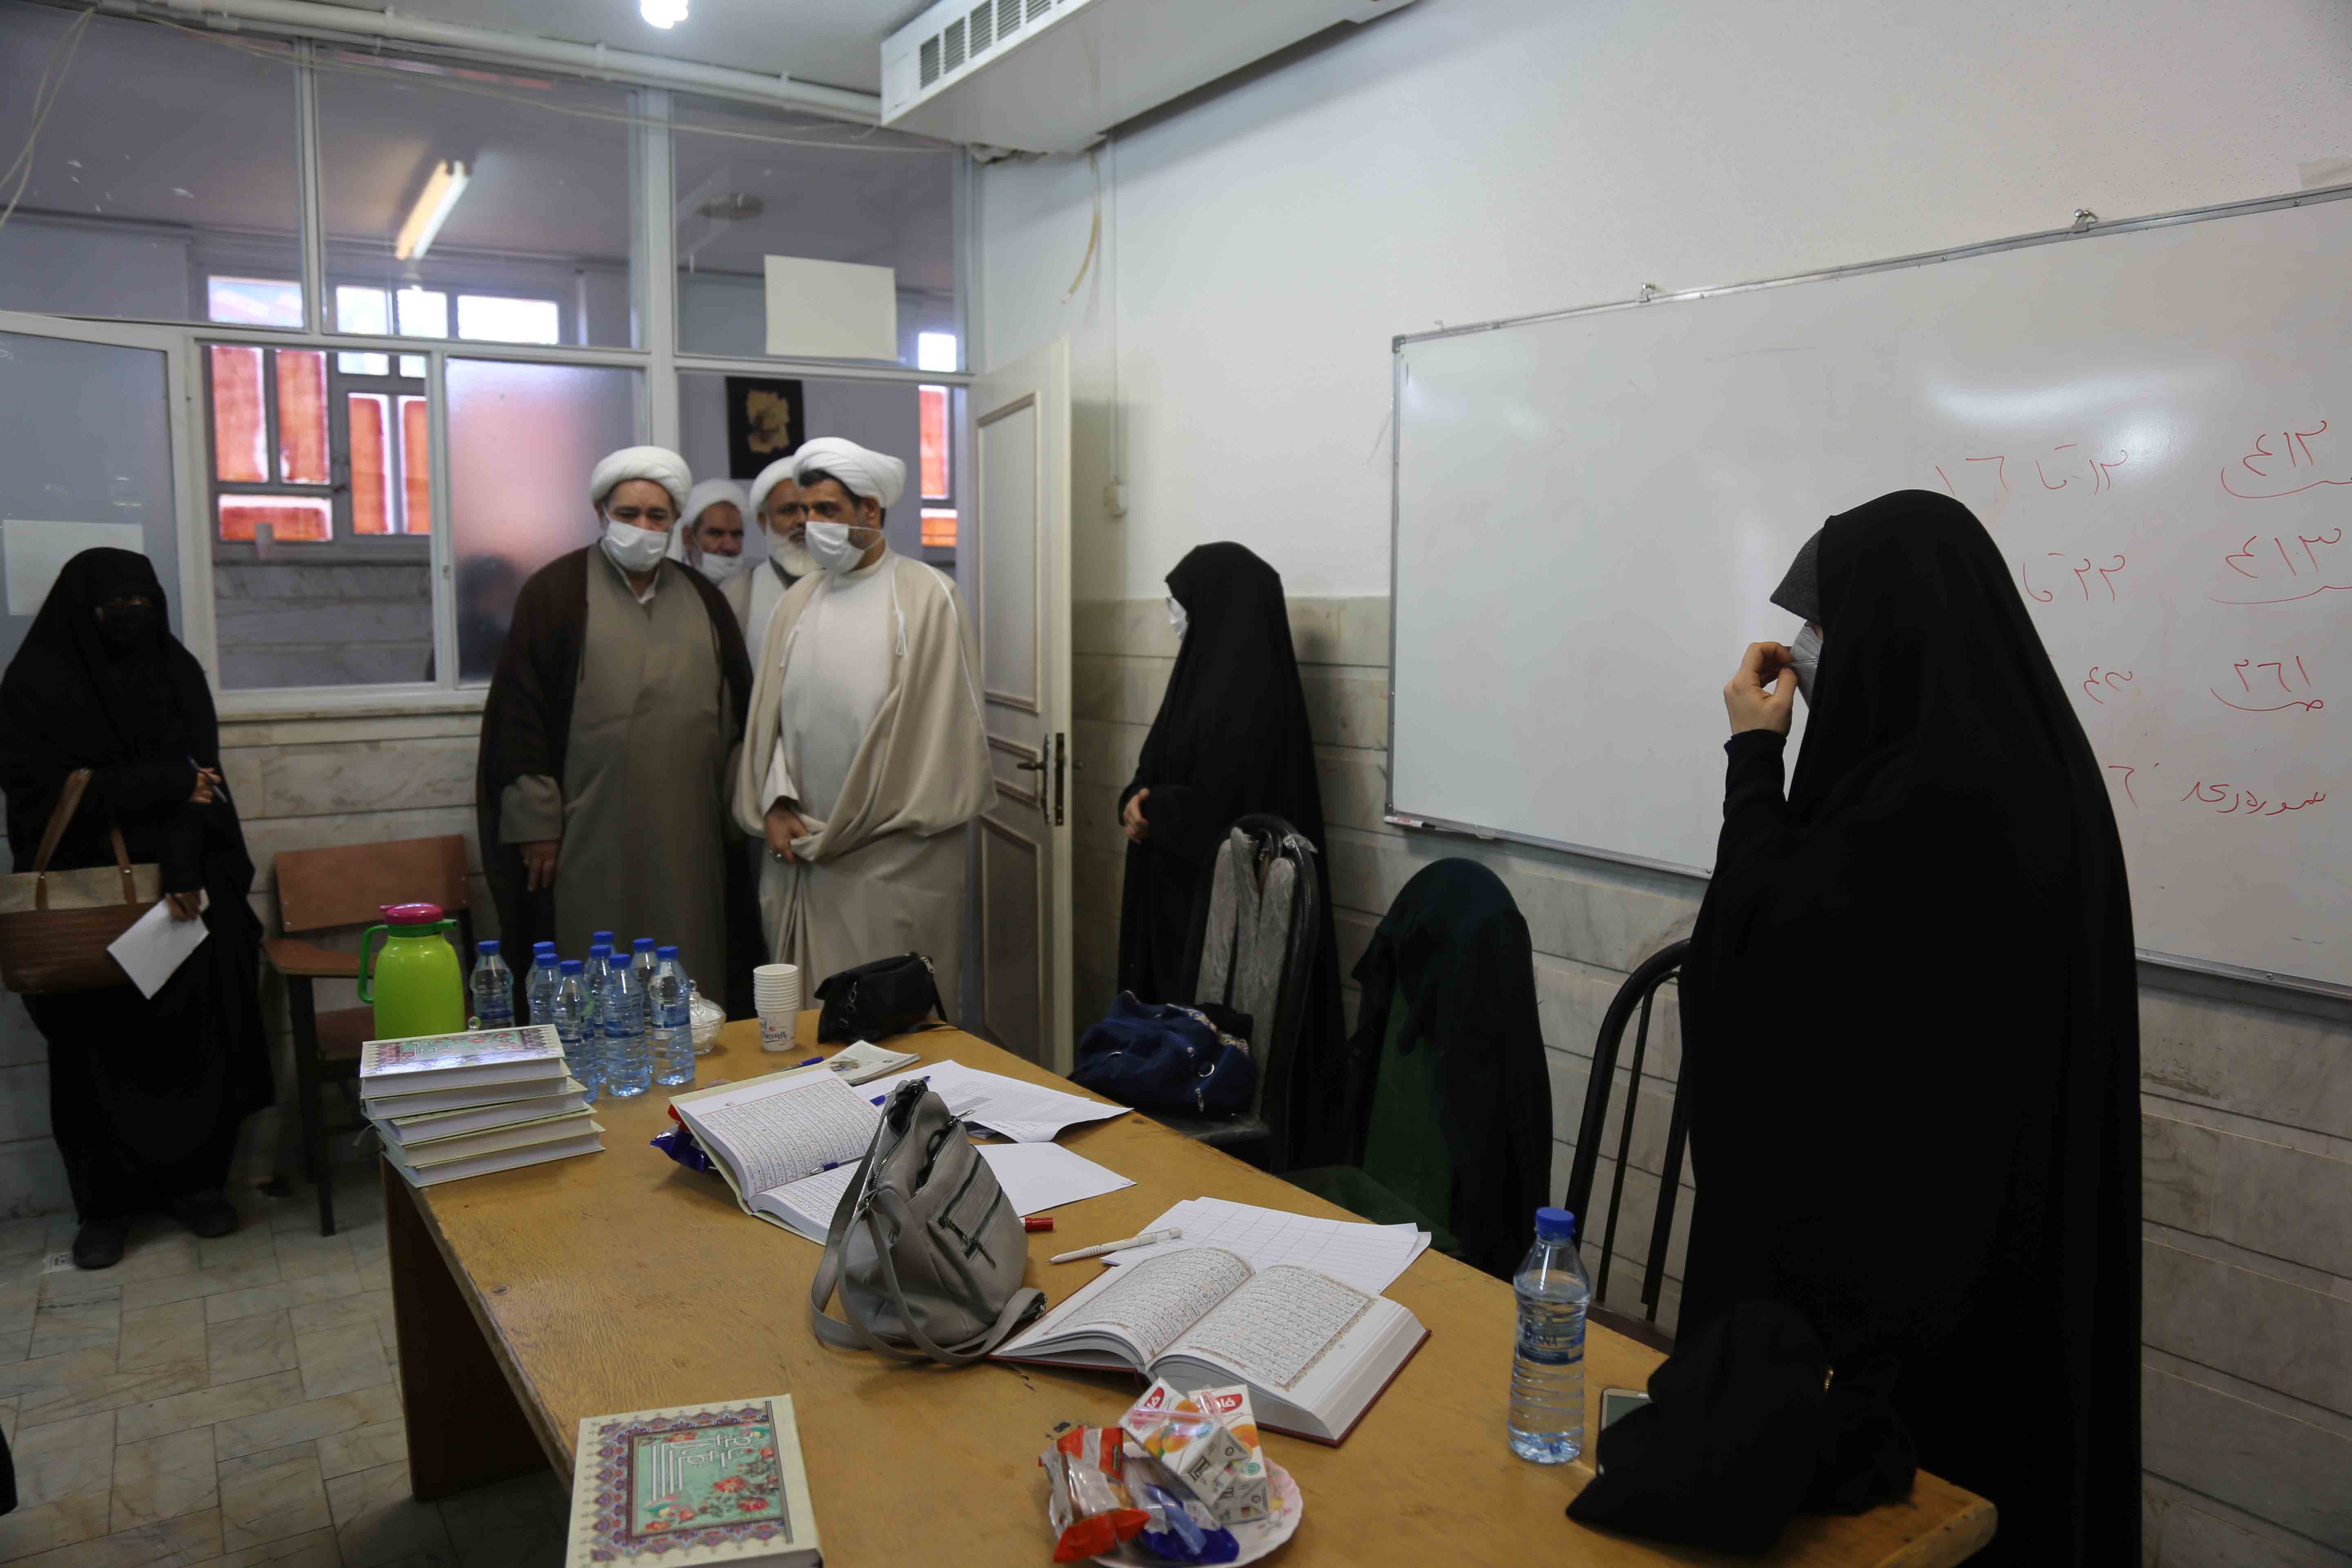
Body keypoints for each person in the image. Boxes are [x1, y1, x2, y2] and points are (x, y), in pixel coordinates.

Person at [1677, 490, 2140, 1564]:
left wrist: (1754, 757)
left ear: (1885, 626)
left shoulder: (1909, 809)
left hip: (1895, 1360)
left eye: (1824, 621)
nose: (1806, 646)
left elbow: (1749, 962)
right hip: (2007, 1296)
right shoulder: (2047, 774)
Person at [0, 550, 272, 1269]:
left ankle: (198, 1188)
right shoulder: (34, 686)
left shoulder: (175, 672)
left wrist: (181, 861)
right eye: (114, 605)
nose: (131, 616)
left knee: (194, 1042)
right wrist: (160, 783)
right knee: (92, 1055)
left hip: (184, 895)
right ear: (78, 610)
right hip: (88, 903)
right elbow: (37, 795)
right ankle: (104, 1208)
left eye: (143, 602)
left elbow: (203, 781)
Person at [475, 447, 759, 1015]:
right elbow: (520, 716)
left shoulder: (705, 600)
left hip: (690, 833)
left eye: (657, 517)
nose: (642, 528)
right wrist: (536, 824)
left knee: (691, 961)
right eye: (628, 514)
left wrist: (741, 816)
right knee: (590, 962)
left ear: (675, 524)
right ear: (601, 512)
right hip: (585, 829)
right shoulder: (555, 594)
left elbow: (738, 723)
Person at [733, 437, 991, 1008]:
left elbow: (940, 741)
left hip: (895, 858)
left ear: (870, 510)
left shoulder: (928, 598)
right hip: (805, 854)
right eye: (805, 511)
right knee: (813, 1021)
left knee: (895, 1023)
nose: (811, 525)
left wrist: (856, 827)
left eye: (828, 510)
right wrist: (776, 803)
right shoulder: (796, 604)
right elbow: (769, 725)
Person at [1114, 543, 1346, 1162]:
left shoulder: (1254, 698)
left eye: (1182, 603)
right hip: (1176, 904)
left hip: (1221, 922)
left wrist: (1156, 809)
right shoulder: (1200, 677)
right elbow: (1155, 768)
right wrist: (1134, 800)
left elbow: (1228, 810)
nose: (1174, 616)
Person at [722, 457, 812, 654]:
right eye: (788, 511)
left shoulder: (845, 583)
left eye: (809, 509)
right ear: (764, 521)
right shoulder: (735, 593)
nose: (802, 520)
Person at [669, 479, 748, 584]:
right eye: (716, 534)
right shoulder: (668, 587)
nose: (730, 547)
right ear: (688, 538)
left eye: (737, 535)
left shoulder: (753, 588)